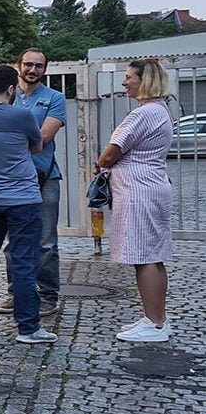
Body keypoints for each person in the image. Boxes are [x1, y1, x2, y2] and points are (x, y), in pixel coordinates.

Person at [0, 65, 57, 344]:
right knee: (24, 262)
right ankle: (28, 328)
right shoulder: (22, 115)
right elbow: (37, 146)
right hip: (23, 199)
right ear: (10, 89)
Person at [97, 58, 174, 342]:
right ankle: (156, 318)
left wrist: (100, 165)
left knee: (145, 257)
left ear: (145, 80)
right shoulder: (160, 111)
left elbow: (112, 151)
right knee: (152, 255)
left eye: (129, 77)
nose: (124, 81)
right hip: (151, 185)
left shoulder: (143, 114)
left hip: (139, 189)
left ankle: (155, 324)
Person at [0, 48, 67, 317]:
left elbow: (44, 139)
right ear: (18, 66)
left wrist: (10, 143)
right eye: (28, 64)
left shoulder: (54, 98)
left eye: (39, 66)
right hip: (12, 179)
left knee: (46, 241)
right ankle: (17, 293)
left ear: (45, 70)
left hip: (44, 177)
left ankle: (48, 295)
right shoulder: (7, 96)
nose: (33, 70)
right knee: (13, 241)